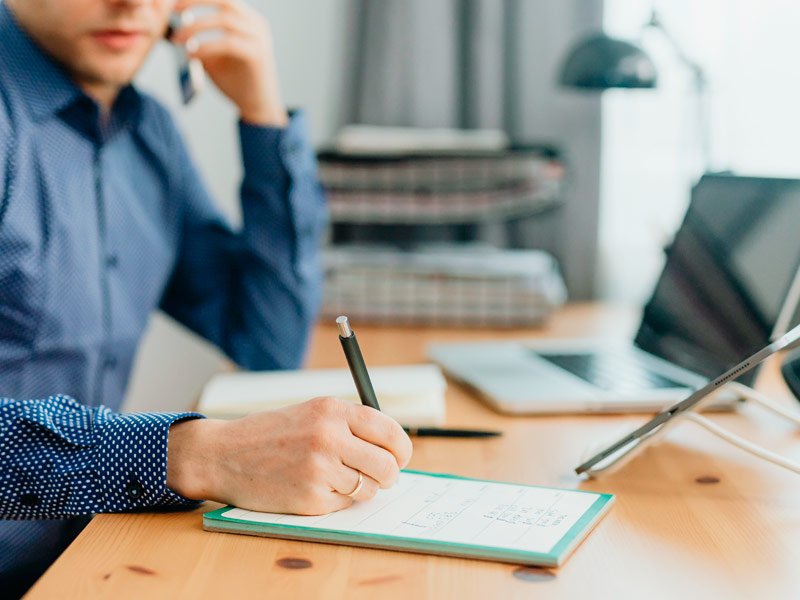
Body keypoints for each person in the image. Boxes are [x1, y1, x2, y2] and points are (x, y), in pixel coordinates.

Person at [0, 0, 412, 594]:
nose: (134, 4)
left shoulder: (147, 133)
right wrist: (193, 455)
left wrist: (262, 117)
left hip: (83, 554)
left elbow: (267, 341)